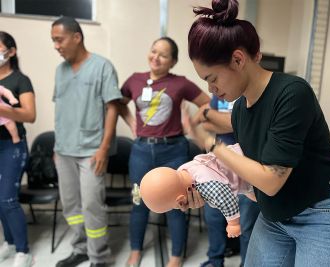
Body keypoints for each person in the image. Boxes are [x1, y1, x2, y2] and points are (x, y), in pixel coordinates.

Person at [183, 0, 330, 266]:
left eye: (212, 79)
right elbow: (237, 121)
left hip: (323, 210)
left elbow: (270, 180)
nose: (211, 89)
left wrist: (210, 144)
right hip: (276, 212)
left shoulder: (292, 93)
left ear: (238, 59)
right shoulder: (243, 106)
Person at [119, 36, 210, 267]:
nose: (156, 57)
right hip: (141, 150)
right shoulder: (135, 80)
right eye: (153, 51)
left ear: (173, 61)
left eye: (163, 55)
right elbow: (117, 104)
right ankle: (135, 250)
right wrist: (132, 124)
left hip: (173, 150)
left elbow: (208, 103)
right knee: (138, 201)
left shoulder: (180, 83)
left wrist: (193, 124)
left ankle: (176, 256)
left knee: (176, 204)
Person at [51, 16, 122, 267]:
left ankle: (99, 257)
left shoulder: (102, 66)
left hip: (91, 151)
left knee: (92, 205)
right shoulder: (60, 71)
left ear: (77, 37)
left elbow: (113, 107)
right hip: (64, 151)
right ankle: (81, 248)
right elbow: (61, 110)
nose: (56, 46)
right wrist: (56, 147)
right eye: (53, 41)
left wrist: (104, 147)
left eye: (59, 40)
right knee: (71, 206)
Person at [192, 96, 259, 267]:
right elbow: (204, 123)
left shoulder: (252, 94)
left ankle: (246, 263)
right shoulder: (219, 95)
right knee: (214, 220)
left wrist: (209, 114)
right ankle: (215, 261)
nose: (213, 87)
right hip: (217, 170)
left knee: (246, 225)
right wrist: (214, 119)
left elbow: (245, 124)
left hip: (245, 171)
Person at [139, 143, 256, 237]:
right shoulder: (185, 169)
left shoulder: (205, 185)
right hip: (242, 150)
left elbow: (226, 198)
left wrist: (233, 223)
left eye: (174, 207)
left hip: (250, 169)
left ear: (180, 201)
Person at [0, 31, 36, 267]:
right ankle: (10, 243)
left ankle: (23, 251)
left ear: (11, 52)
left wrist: (3, 110)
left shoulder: (20, 80)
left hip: (12, 146)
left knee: (7, 199)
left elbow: (30, 115)